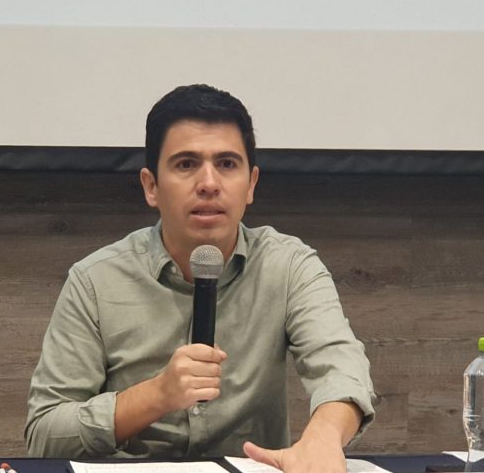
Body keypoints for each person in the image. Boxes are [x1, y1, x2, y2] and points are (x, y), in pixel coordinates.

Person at [25, 84, 376, 473]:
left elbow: (341, 367)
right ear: (151, 187)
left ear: (251, 184)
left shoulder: (289, 265)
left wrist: (322, 439)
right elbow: (45, 434)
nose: (209, 183)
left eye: (226, 164)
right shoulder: (95, 280)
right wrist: (156, 395)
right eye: (186, 164)